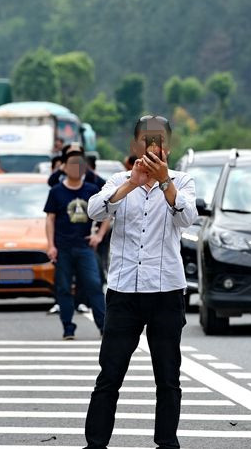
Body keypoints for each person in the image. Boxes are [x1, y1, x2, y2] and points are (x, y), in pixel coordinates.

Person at [84, 115, 197, 449]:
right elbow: (94, 211)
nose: (154, 146)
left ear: (169, 145)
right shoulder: (119, 180)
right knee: (109, 374)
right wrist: (131, 183)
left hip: (166, 291)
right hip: (124, 292)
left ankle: (166, 443)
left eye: (159, 140)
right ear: (135, 145)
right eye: (147, 140)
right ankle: (95, 444)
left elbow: (187, 217)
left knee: (168, 377)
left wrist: (165, 184)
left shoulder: (183, 180)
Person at [44, 148, 108, 340]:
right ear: (64, 167)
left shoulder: (91, 189)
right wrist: (50, 245)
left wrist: (99, 235)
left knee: (94, 286)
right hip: (63, 248)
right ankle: (68, 328)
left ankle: (104, 327)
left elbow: (107, 215)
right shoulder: (56, 192)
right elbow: (50, 219)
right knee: (63, 288)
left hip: (85, 247)